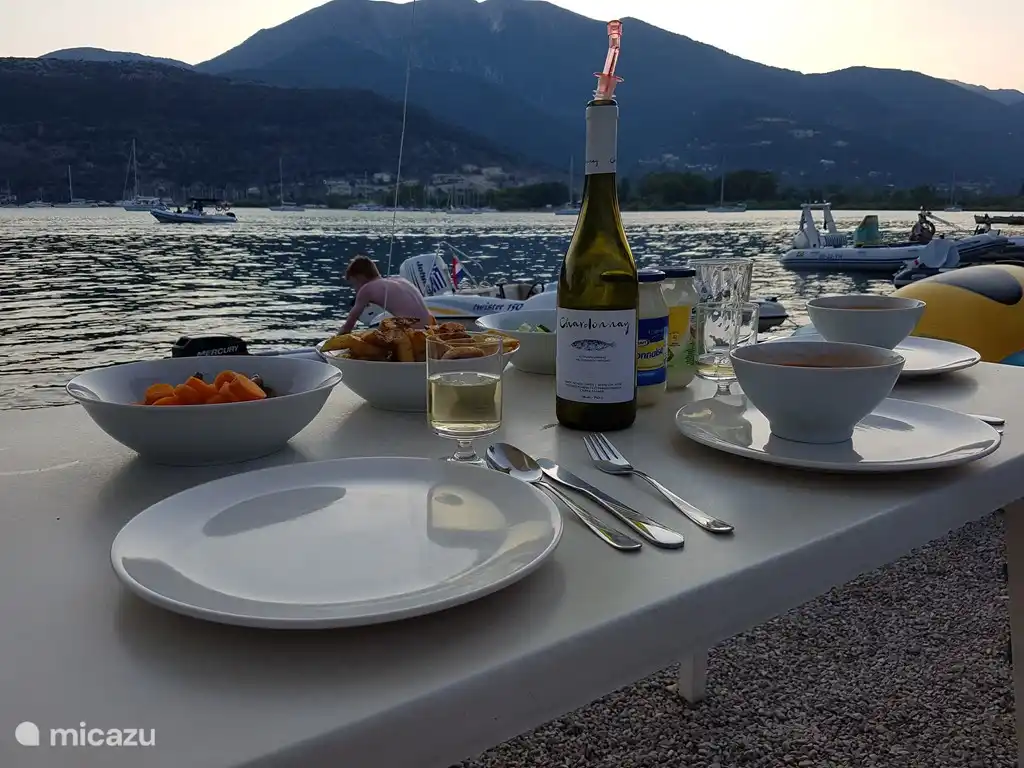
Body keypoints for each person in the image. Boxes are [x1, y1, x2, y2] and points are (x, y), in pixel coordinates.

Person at [338, 255, 433, 334]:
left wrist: (332, 345)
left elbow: (348, 325)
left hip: (414, 333)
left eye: (354, 284)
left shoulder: (366, 289)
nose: (355, 290)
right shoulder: (400, 280)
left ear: (360, 277)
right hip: (430, 329)